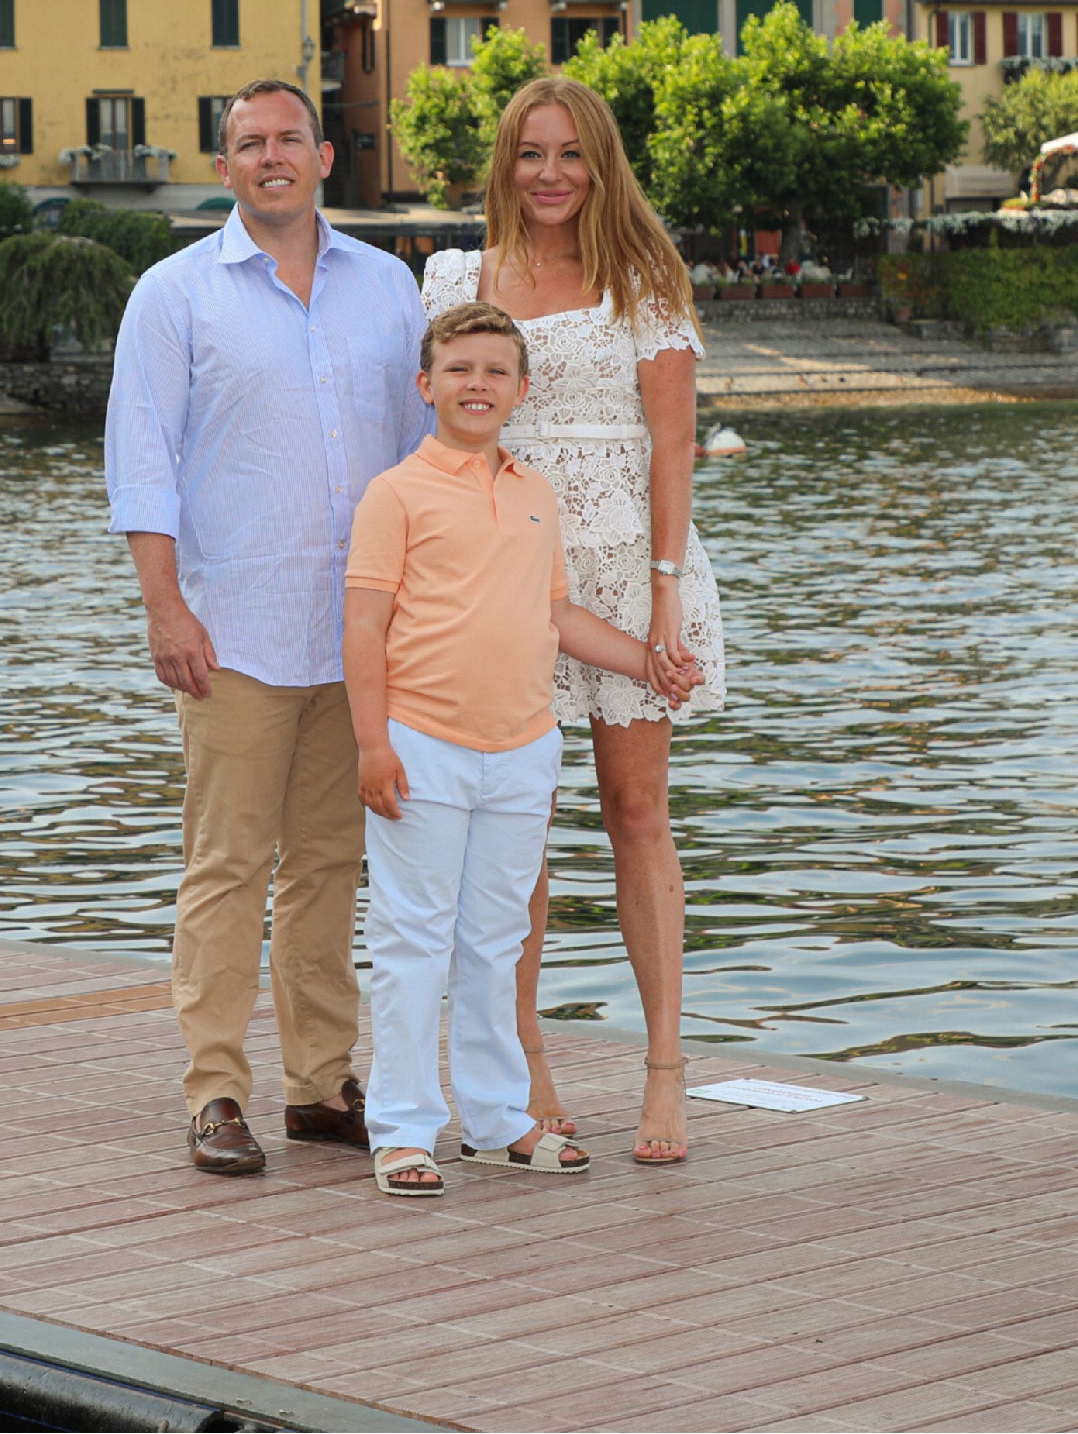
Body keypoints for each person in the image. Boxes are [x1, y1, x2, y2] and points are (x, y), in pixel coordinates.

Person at [106, 77, 430, 1175]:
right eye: (249, 143)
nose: (270, 157)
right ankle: (214, 1091)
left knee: (332, 866)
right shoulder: (172, 293)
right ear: (226, 163)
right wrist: (164, 606)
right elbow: (141, 459)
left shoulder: (390, 288)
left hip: (356, 636)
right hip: (231, 629)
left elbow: (425, 454)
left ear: (324, 157)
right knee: (227, 865)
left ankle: (319, 1084)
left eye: (288, 138)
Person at [419, 75, 728, 1164]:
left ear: (600, 164)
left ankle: (662, 1069)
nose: (548, 174)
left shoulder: (646, 277)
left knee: (635, 809)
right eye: (528, 153)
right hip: (502, 574)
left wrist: (659, 594)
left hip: (626, 564)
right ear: (502, 163)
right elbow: (444, 414)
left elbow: (673, 446)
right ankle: (523, 1067)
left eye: (569, 154)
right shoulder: (455, 275)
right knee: (517, 828)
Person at [345, 302, 691, 1197]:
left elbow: (557, 616)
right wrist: (372, 745)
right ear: (425, 385)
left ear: (522, 391)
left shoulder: (536, 494)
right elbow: (362, 627)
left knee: (495, 941)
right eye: (458, 369)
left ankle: (497, 1122)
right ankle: (403, 1128)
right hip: (422, 745)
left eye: (496, 372)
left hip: (523, 748)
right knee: (412, 940)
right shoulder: (396, 494)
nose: (477, 385)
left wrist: (649, 664)